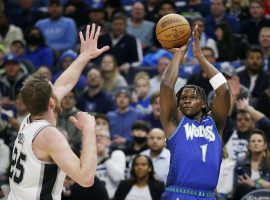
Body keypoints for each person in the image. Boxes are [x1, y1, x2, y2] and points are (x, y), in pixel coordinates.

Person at [7, 23, 109, 200]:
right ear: (52, 102)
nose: (58, 88)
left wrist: (84, 56)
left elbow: (64, 83)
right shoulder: (49, 136)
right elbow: (86, 178)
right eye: (53, 89)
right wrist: (89, 129)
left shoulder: (28, 120)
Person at [160, 24, 231, 199]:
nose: (186, 99)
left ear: (204, 104)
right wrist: (178, 54)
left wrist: (200, 57)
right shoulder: (174, 124)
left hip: (208, 195)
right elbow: (166, 85)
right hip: (179, 194)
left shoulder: (216, 124)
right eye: (183, 98)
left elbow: (224, 90)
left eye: (193, 96)